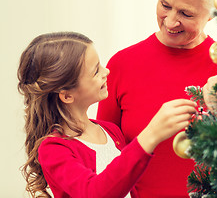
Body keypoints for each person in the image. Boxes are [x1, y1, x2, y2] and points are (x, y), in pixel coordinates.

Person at [96, 0, 217, 197]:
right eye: (165, 5)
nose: (170, 21)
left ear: (211, 14)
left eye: (186, 13)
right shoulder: (121, 65)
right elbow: (104, 157)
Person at [18, 32, 197, 198]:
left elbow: (126, 181)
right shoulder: (53, 149)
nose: (106, 72)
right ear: (67, 95)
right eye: (95, 71)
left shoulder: (110, 131)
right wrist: (151, 134)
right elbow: (95, 192)